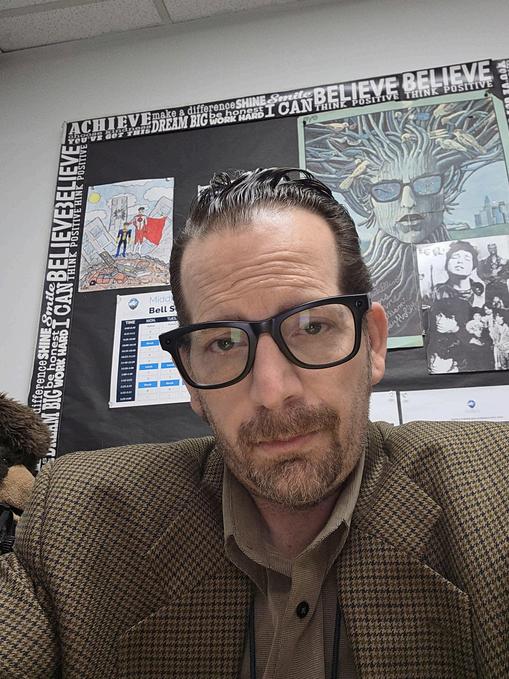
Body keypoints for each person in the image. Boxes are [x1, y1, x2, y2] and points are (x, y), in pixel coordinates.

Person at [1, 168, 507, 678]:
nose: (272, 391)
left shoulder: (494, 492)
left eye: (312, 326)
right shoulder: (74, 519)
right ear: (191, 378)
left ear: (372, 344)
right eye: (223, 342)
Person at [432, 240, 484, 307]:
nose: (460, 261)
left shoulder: (480, 292)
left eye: (467, 259)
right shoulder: (437, 292)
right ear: (446, 264)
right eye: (455, 257)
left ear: (473, 266)